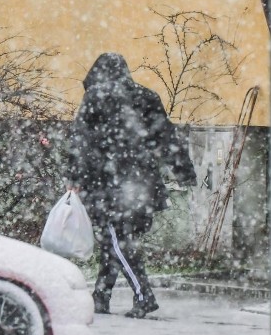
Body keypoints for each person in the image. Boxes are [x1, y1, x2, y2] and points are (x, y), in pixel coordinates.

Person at [66, 52, 197, 318]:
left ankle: (143, 294)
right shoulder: (147, 96)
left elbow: (80, 141)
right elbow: (166, 136)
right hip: (142, 185)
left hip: (109, 185)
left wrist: (75, 178)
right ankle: (101, 297)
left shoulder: (96, 98)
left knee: (117, 241)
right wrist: (183, 170)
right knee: (117, 241)